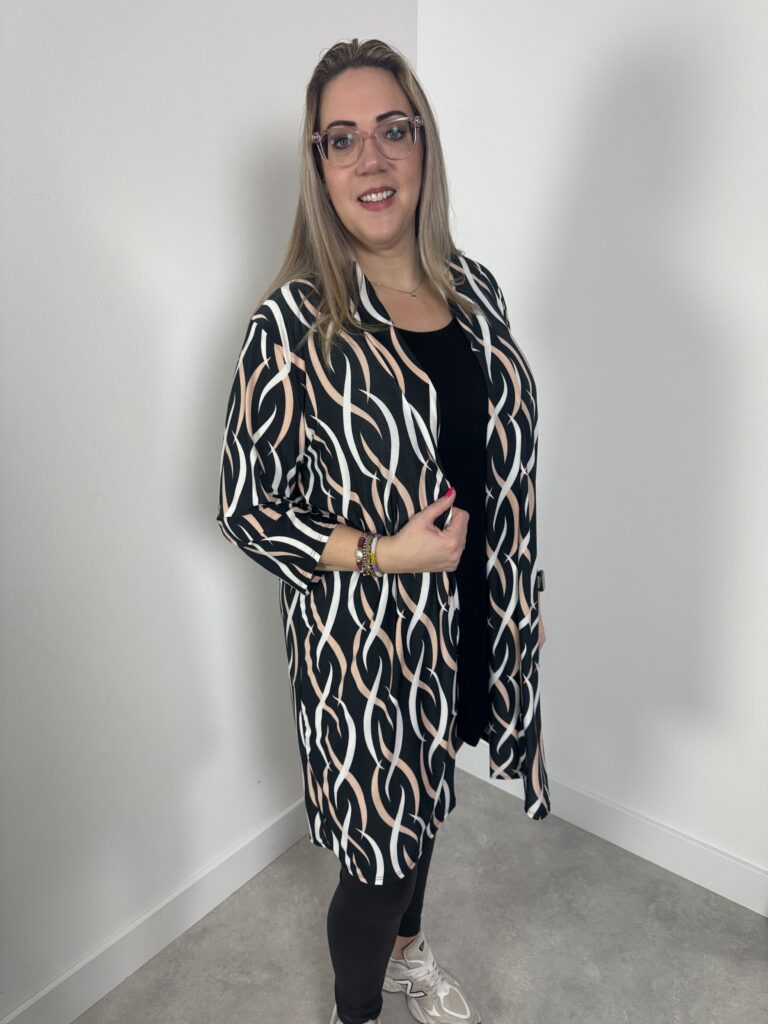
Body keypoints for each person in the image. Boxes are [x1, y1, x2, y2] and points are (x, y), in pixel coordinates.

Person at [216, 37, 550, 1024]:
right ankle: (355, 1010)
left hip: (465, 619)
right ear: (318, 165)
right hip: (365, 654)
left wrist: (505, 586)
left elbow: (492, 448)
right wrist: (385, 551)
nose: (371, 157)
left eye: (392, 130)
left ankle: (411, 954)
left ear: (423, 144)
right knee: (377, 863)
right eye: (342, 138)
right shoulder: (293, 324)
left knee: (428, 805)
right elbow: (246, 506)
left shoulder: (474, 288)